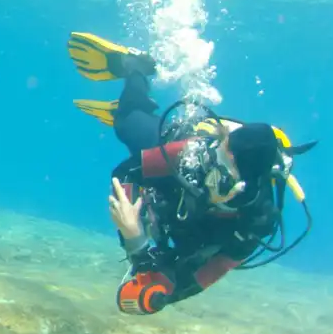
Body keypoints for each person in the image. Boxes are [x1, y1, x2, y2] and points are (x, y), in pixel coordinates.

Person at [67, 32, 317, 315]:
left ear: (243, 186)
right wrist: (134, 240)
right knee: (127, 125)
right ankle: (134, 68)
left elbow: (205, 275)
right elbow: (126, 171)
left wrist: (160, 294)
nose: (208, 163)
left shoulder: (255, 223)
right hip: (168, 152)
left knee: (184, 257)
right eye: (217, 150)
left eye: (222, 166)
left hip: (190, 230)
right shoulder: (195, 152)